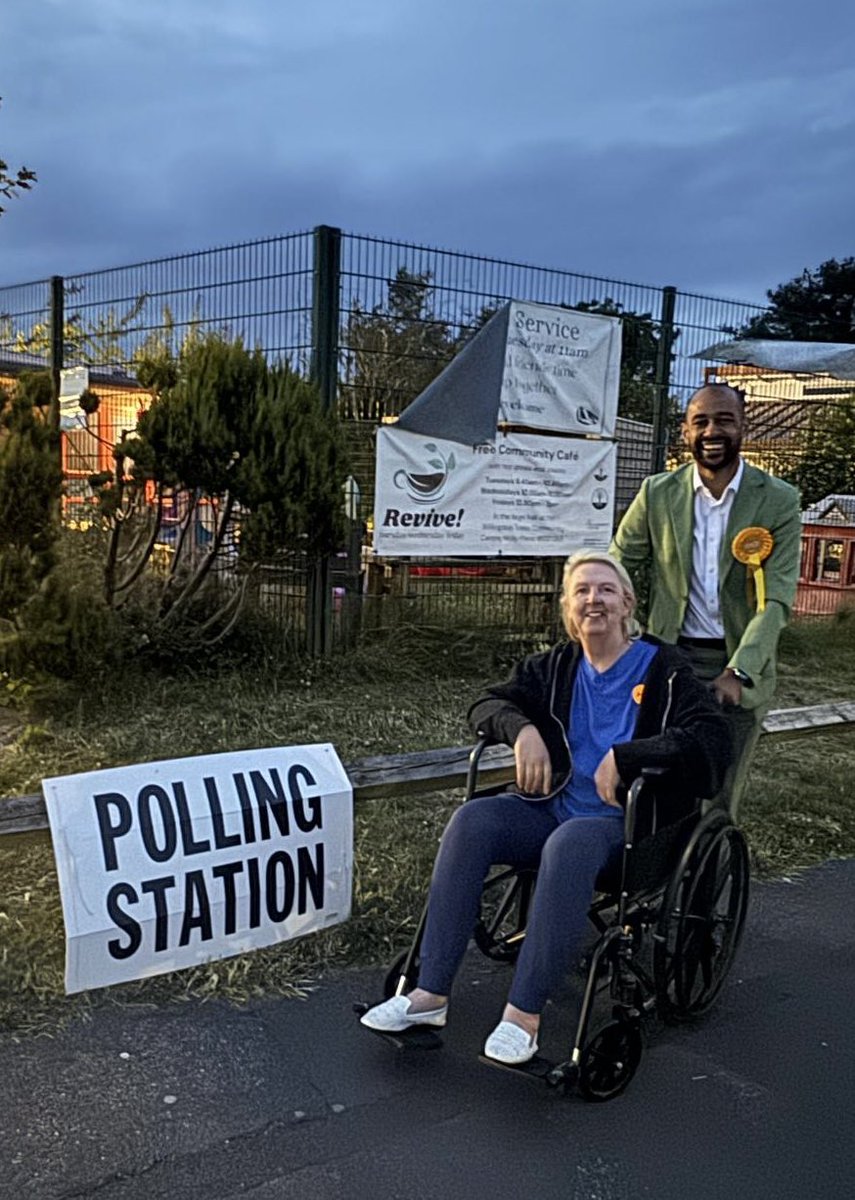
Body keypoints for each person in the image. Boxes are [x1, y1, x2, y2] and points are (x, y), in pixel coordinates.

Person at [360, 550, 731, 1066]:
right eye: (581, 591)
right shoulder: (556, 668)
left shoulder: (666, 671)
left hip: (623, 827)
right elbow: (486, 704)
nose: (592, 599)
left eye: (604, 589)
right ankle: (428, 996)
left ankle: (523, 1018)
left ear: (627, 603)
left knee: (569, 843)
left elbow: (712, 738)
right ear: (567, 607)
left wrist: (629, 756)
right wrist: (524, 730)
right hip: (554, 807)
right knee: (473, 820)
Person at [610, 382, 802, 820]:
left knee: (717, 796)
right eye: (701, 421)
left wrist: (739, 671)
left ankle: (709, 880)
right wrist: (625, 629)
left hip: (736, 663)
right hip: (668, 659)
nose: (712, 430)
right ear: (685, 431)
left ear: (743, 427)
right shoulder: (657, 493)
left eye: (724, 420)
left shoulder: (779, 500)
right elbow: (618, 564)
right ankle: (661, 881)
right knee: (659, 782)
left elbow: (775, 601)